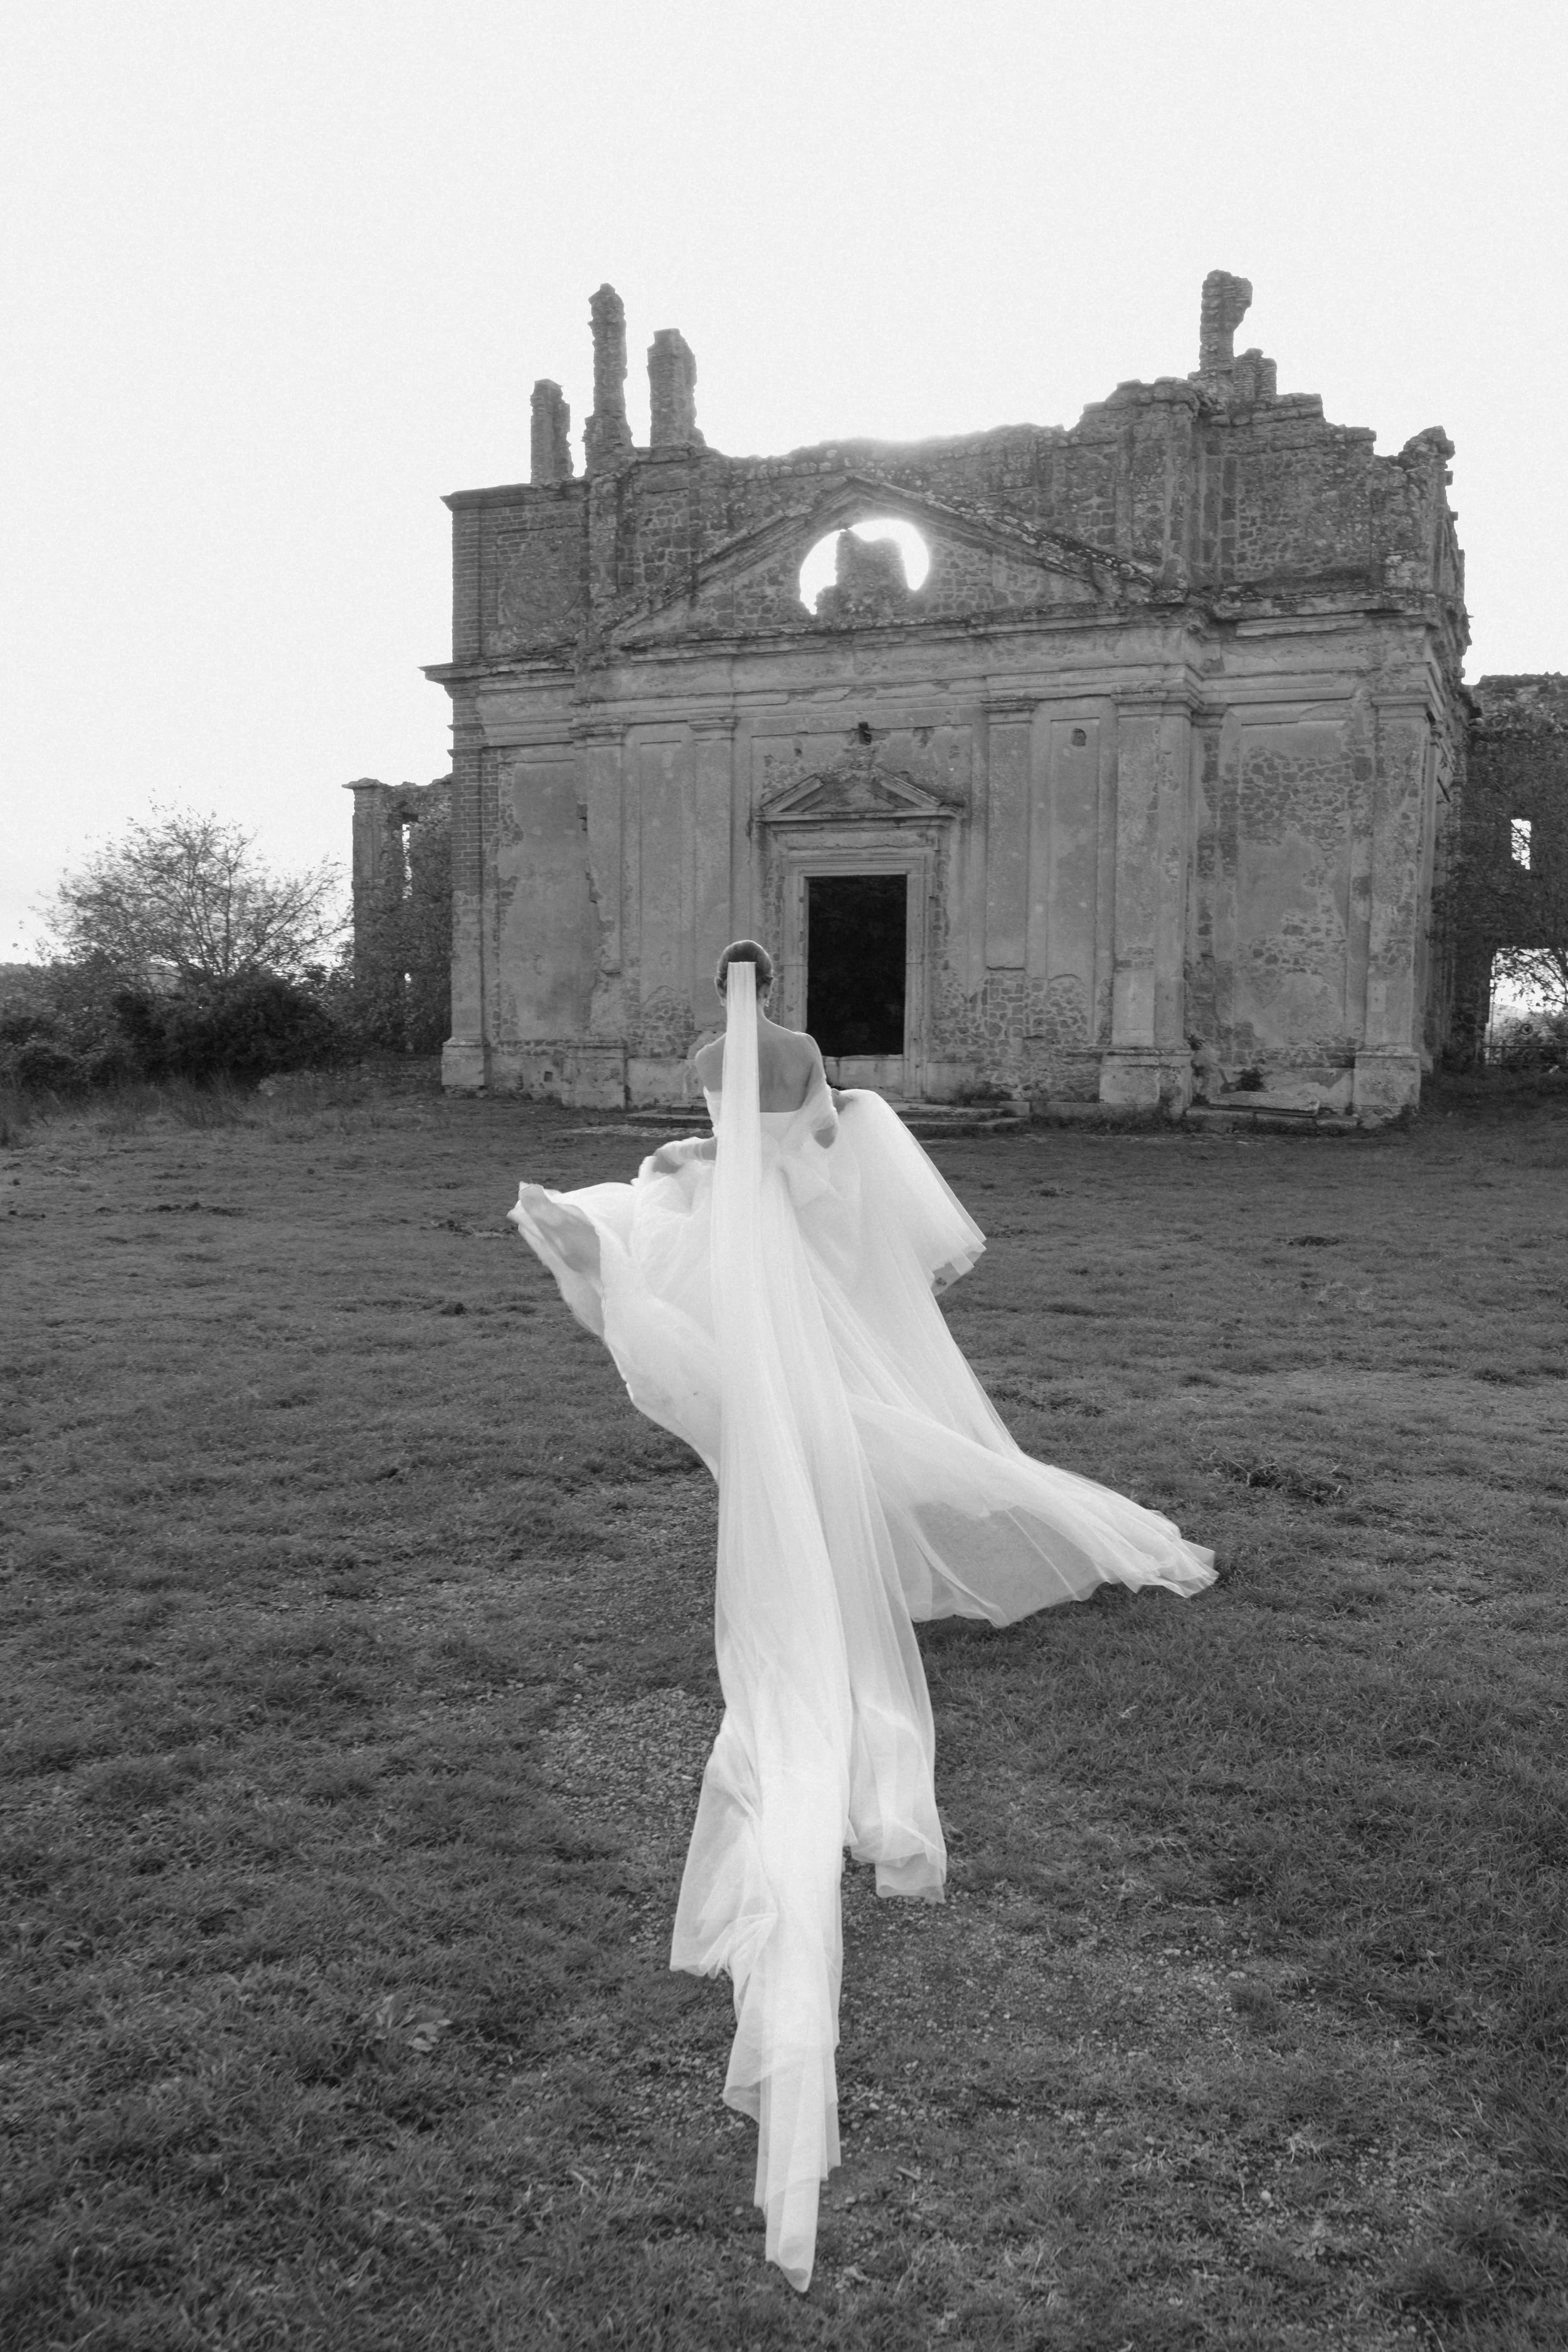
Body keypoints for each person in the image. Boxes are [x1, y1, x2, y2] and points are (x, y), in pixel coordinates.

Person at [511, 940, 1214, 2293]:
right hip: (787, 1262)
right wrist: (744, 1162)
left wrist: (667, 1178)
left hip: (743, 1265)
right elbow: (802, 1148)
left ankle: (894, 1537)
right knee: (842, 1431)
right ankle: (933, 1532)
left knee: (804, 1435)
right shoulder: (809, 1074)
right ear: (776, 985)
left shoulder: (731, 1067)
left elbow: (709, 1154)